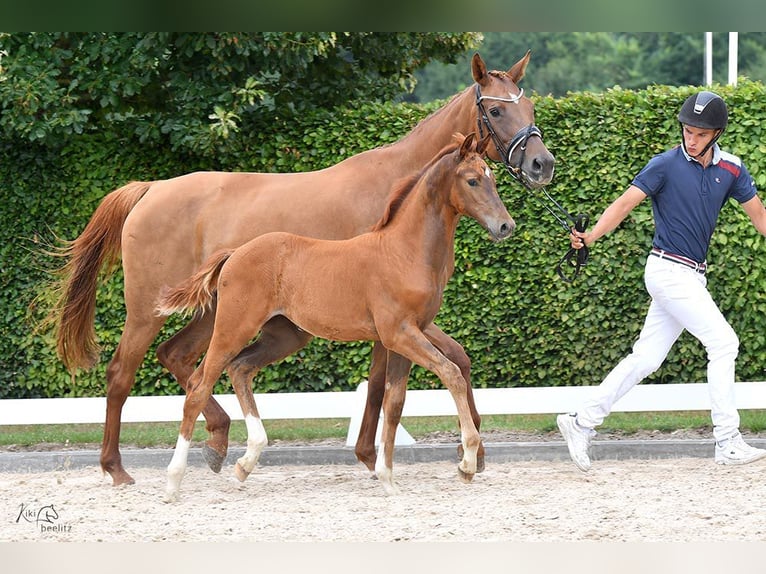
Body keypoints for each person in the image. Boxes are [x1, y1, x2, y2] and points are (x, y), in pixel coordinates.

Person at [557, 90, 766, 471]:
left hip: (691, 277)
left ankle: (580, 421)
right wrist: (590, 237)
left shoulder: (733, 169)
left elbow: (761, 220)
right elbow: (623, 204)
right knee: (724, 343)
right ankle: (727, 439)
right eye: (687, 130)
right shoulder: (664, 165)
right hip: (667, 270)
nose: (691, 137)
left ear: (717, 133)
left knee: (646, 359)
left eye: (701, 133)